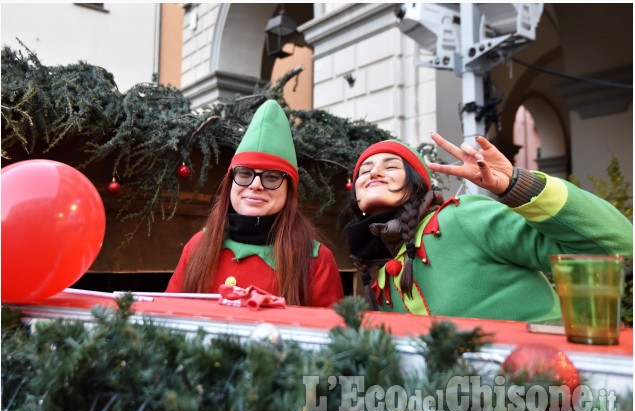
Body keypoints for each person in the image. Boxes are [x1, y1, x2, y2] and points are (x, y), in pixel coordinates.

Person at [345, 133, 632, 322]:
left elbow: (615, 246)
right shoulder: (380, 279)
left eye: (391, 166)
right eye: (365, 170)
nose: (375, 172)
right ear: (355, 196)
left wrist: (517, 184)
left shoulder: (463, 217)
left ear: (416, 184)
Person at [166, 100, 344, 307]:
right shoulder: (197, 245)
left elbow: (330, 335)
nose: (256, 185)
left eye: (271, 177)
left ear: (289, 190)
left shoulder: (316, 260)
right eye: (244, 174)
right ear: (231, 182)